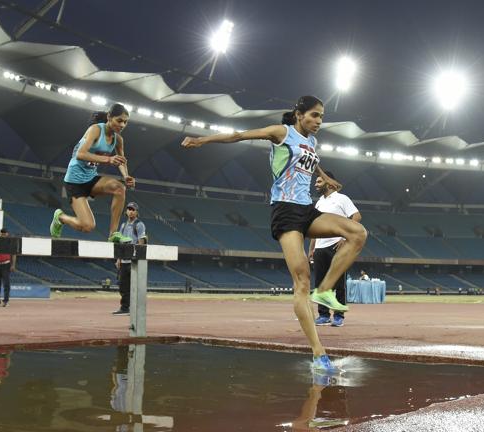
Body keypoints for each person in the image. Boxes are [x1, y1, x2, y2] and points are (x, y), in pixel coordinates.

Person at [181, 95, 367, 373]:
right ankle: (318, 353)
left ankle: (326, 290)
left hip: (306, 209)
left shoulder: (312, 142)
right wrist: (203, 140)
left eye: (322, 117)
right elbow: (239, 135)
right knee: (302, 279)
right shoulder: (281, 132)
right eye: (314, 115)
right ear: (299, 114)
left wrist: (324, 177)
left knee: (357, 232)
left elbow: (309, 159)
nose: (319, 121)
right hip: (285, 210)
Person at [50, 103, 135, 243]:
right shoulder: (95, 130)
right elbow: (80, 154)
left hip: (91, 179)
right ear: (109, 117)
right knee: (87, 226)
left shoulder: (118, 140)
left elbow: (121, 161)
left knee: (120, 188)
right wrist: (108, 159)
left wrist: (126, 176)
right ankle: (60, 217)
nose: (122, 125)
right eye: (119, 120)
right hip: (74, 181)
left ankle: (113, 234)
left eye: (125, 122)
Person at [307, 171, 361, 328]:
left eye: (318, 181)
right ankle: (323, 315)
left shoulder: (342, 198)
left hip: (336, 246)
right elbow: (315, 227)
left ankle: (338, 316)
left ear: (329, 183)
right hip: (320, 248)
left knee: (338, 283)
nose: (315, 185)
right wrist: (312, 248)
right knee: (320, 283)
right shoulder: (318, 203)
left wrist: (345, 238)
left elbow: (356, 216)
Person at [113, 202, 147, 315]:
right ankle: (124, 308)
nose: (130, 211)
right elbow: (120, 242)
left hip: (134, 260)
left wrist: (139, 257)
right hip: (124, 260)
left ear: (137, 212)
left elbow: (141, 241)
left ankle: (136, 308)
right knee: (123, 286)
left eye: (133, 209)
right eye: (129, 209)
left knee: (135, 286)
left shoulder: (139, 224)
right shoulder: (123, 225)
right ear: (126, 211)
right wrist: (118, 259)